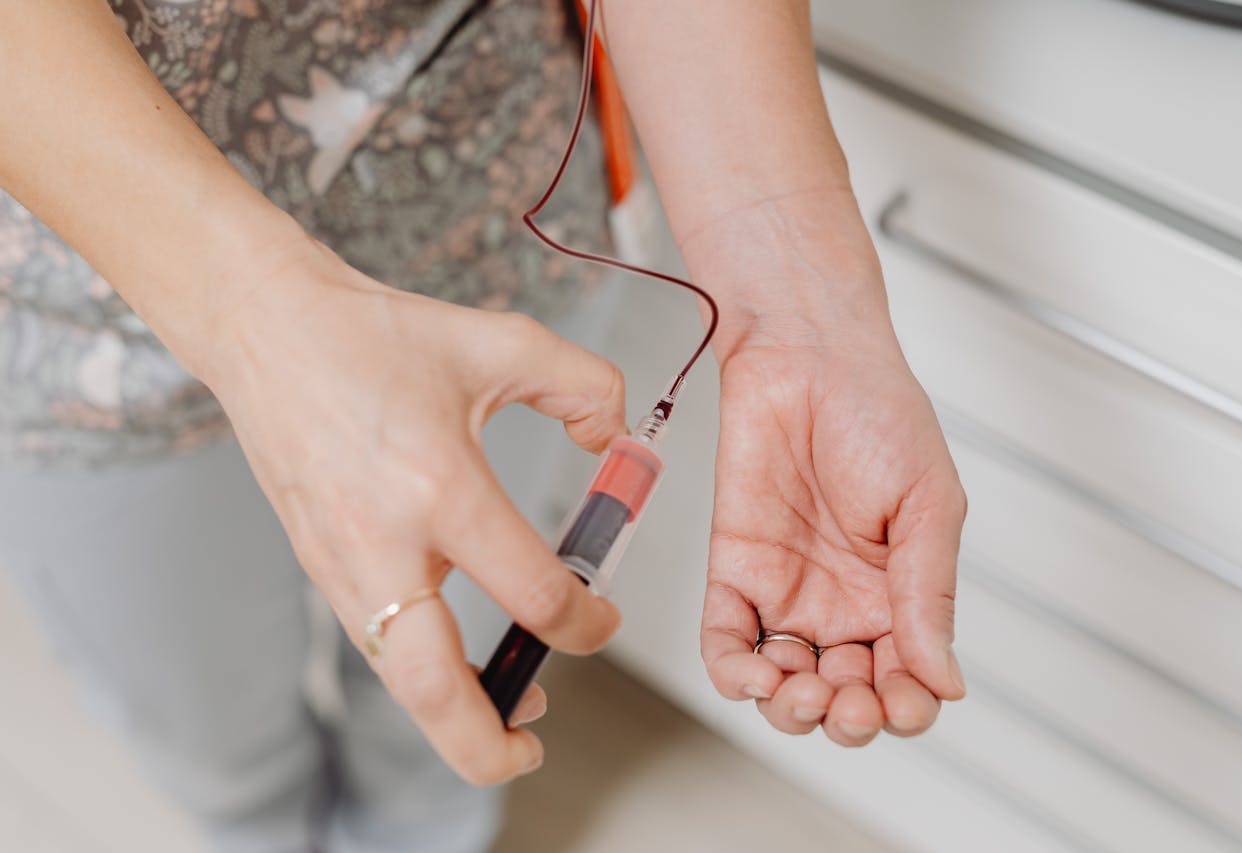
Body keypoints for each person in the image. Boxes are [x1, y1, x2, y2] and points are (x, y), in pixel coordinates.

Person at [0, 1, 968, 850]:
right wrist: (255, 311)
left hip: (487, 220)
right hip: (73, 322)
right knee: (204, 719)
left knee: (451, 685)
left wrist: (804, 315)